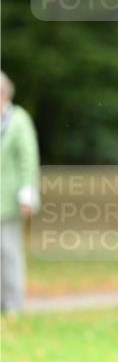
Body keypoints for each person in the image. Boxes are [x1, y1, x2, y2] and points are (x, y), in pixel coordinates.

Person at [1, 72, 40, 314]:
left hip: (7, 200)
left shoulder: (18, 120)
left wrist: (27, 194)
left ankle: (13, 303)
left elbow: (28, 159)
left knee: (8, 251)